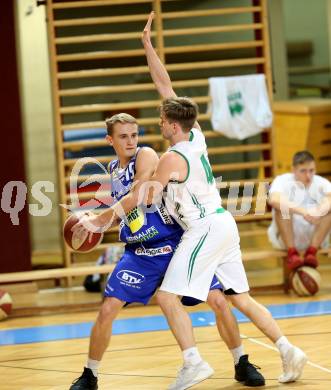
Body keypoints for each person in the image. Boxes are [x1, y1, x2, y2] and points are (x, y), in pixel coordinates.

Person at [138, 11, 307, 389]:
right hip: (223, 224)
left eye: (163, 121)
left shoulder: (169, 156)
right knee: (241, 298)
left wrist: (128, 190)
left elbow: (146, 197)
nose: (160, 123)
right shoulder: (196, 136)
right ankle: (287, 349)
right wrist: (148, 46)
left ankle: (193, 362)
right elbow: (165, 85)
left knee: (167, 297)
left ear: (174, 125)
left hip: (203, 229)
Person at [69, 113, 265, 390]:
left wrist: (100, 219)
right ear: (109, 140)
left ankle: (241, 361)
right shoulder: (113, 169)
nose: (130, 141)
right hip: (140, 252)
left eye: (134, 135)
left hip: (174, 244)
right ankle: (90, 375)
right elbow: (128, 211)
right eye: (123, 136)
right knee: (108, 309)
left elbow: (139, 192)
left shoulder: (146, 155)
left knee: (218, 300)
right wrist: (94, 225)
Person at [268, 150, 331, 270]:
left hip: (315, 236)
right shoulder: (282, 180)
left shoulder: (322, 182)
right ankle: (292, 253)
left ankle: (312, 252)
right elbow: (274, 199)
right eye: (303, 171)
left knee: (329, 211)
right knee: (282, 208)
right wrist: (304, 212)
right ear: (293, 170)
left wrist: (319, 212)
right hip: (287, 237)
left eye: (312, 170)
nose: (308, 176)